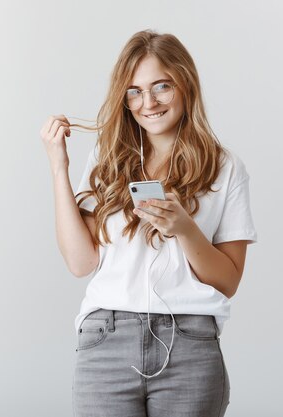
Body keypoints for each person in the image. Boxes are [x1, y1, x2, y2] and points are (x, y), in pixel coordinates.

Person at [39, 29, 257, 417]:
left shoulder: (225, 167)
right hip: (106, 339)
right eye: (135, 91)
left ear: (185, 85)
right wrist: (60, 167)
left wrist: (185, 229)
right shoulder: (107, 161)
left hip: (189, 342)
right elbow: (80, 263)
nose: (149, 103)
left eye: (162, 87)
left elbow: (228, 281)